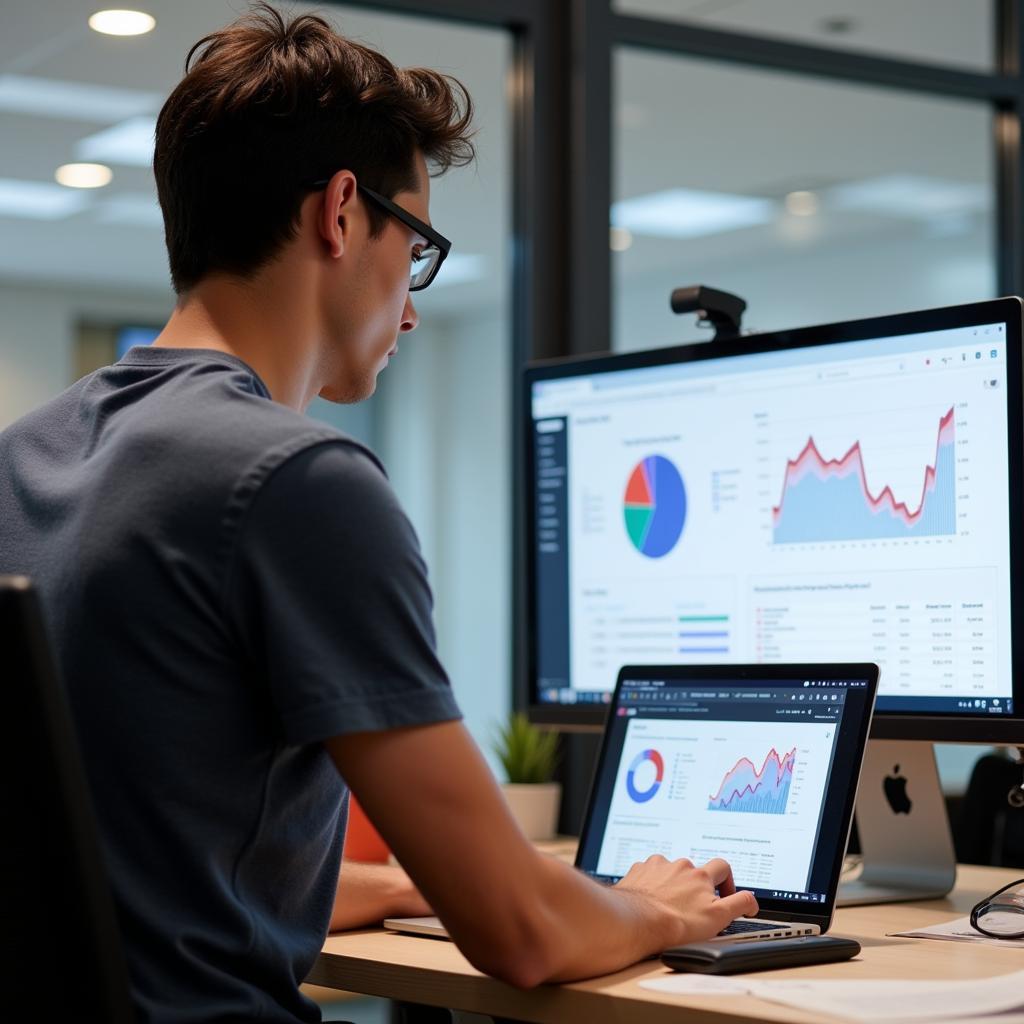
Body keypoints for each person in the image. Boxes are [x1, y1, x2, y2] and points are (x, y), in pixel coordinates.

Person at [0, 5, 756, 1022]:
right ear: (343, 213)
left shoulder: (26, 455)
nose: (409, 305)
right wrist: (652, 910)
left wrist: (408, 882)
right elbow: (521, 931)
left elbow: (136, 858)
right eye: (420, 246)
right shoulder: (294, 478)